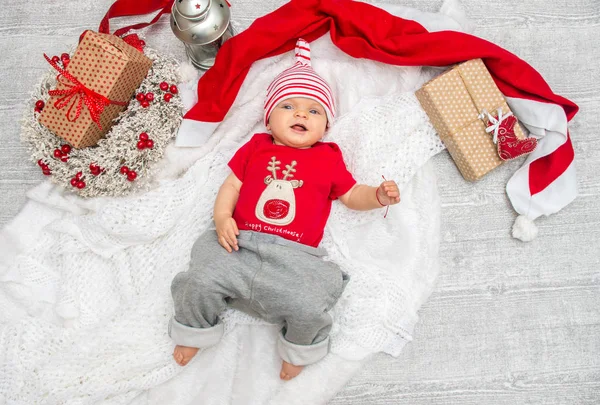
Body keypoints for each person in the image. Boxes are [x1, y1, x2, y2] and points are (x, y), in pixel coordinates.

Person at [168, 38, 401, 380]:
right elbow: (231, 186)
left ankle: (299, 349)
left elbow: (352, 194)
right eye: (288, 106)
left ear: (326, 125)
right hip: (239, 246)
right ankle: (193, 330)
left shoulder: (328, 158)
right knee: (200, 280)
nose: (301, 114)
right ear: (269, 118)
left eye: (314, 110)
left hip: (295, 260)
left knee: (309, 303)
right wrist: (222, 218)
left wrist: (377, 196)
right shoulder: (256, 147)